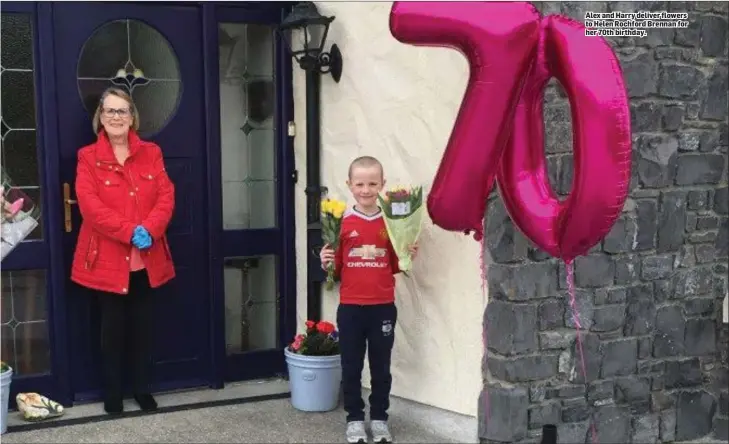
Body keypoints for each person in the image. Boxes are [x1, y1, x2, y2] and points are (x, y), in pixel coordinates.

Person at [71, 87, 176, 415]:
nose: (116, 117)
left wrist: (152, 229)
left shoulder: (152, 153)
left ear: (133, 118)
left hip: (146, 259)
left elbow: (166, 195)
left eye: (123, 111)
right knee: (112, 331)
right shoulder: (87, 157)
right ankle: (113, 393)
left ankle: (142, 389)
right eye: (110, 111)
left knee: (142, 329)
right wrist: (131, 231)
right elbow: (90, 207)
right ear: (100, 117)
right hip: (106, 259)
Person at [320, 156, 418, 444]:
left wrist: (408, 252)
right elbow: (335, 269)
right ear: (349, 185)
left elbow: (396, 264)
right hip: (350, 307)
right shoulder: (341, 223)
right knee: (351, 366)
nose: (366, 189)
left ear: (382, 185)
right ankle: (353, 418)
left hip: (382, 307)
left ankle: (379, 418)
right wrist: (325, 260)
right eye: (360, 183)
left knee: (381, 367)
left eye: (372, 183)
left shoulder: (392, 222)